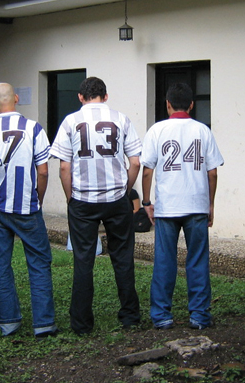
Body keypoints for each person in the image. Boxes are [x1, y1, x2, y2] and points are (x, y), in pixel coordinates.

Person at [0, 83, 58, 338]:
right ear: (16, 99)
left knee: (1, 263)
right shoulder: (33, 128)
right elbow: (43, 171)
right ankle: (44, 324)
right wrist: (38, 199)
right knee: (39, 262)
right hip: (27, 207)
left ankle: (9, 322)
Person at [50, 76, 141, 335]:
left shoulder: (70, 121)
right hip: (116, 198)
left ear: (80, 97)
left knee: (83, 260)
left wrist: (70, 197)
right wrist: (126, 191)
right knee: (123, 257)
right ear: (106, 96)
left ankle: (81, 324)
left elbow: (64, 167)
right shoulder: (121, 119)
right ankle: (130, 316)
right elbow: (135, 162)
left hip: (83, 200)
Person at [141, 82, 224, 330]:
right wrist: (210, 204)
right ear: (191, 105)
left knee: (164, 261)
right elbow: (212, 173)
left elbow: (147, 170)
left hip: (167, 206)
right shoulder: (203, 131)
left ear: (167, 104)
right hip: (197, 205)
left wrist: (147, 202)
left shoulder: (156, 130)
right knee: (197, 260)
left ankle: (161, 316)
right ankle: (199, 315)